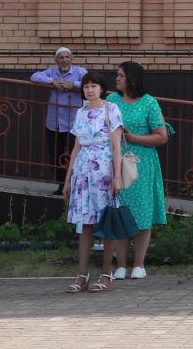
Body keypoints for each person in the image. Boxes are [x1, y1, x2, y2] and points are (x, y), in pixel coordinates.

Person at [63, 72, 125, 295]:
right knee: (85, 223)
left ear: (102, 88)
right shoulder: (80, 112)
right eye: (86, 86)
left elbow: (117, 146)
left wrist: (117, 175)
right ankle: (82, 276)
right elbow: (76, 147)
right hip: (82, 172)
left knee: (105, 222)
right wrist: (68, 178)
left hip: (103, 171)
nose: (89, 90)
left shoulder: (111, 110)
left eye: (94, 86)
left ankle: (106, 274)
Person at [107, 61, 170, 280]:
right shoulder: (111, 100)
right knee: (119, 211)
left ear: (132, 78)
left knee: (141, 213)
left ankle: (139, 264)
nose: (117, 79)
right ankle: (121, 265)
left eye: (120, 75)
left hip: (141, 163)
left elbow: (161, 136)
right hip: (116, 161)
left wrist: (134, 138)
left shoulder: (149, 102)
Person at [30, 47, 87, 187]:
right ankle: (61, 184)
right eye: (61, 57)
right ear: (56, 60)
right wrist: (52, 81)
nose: (65, 60)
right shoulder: (52, 72)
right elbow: (34, 76)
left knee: (75, 155)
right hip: (54, 122)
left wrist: (73, 84)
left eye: (67, 57)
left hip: (74, 122)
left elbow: (90, 82)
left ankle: (75, 184)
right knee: (56, 154)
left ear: (72, 59)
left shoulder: (80, 71)